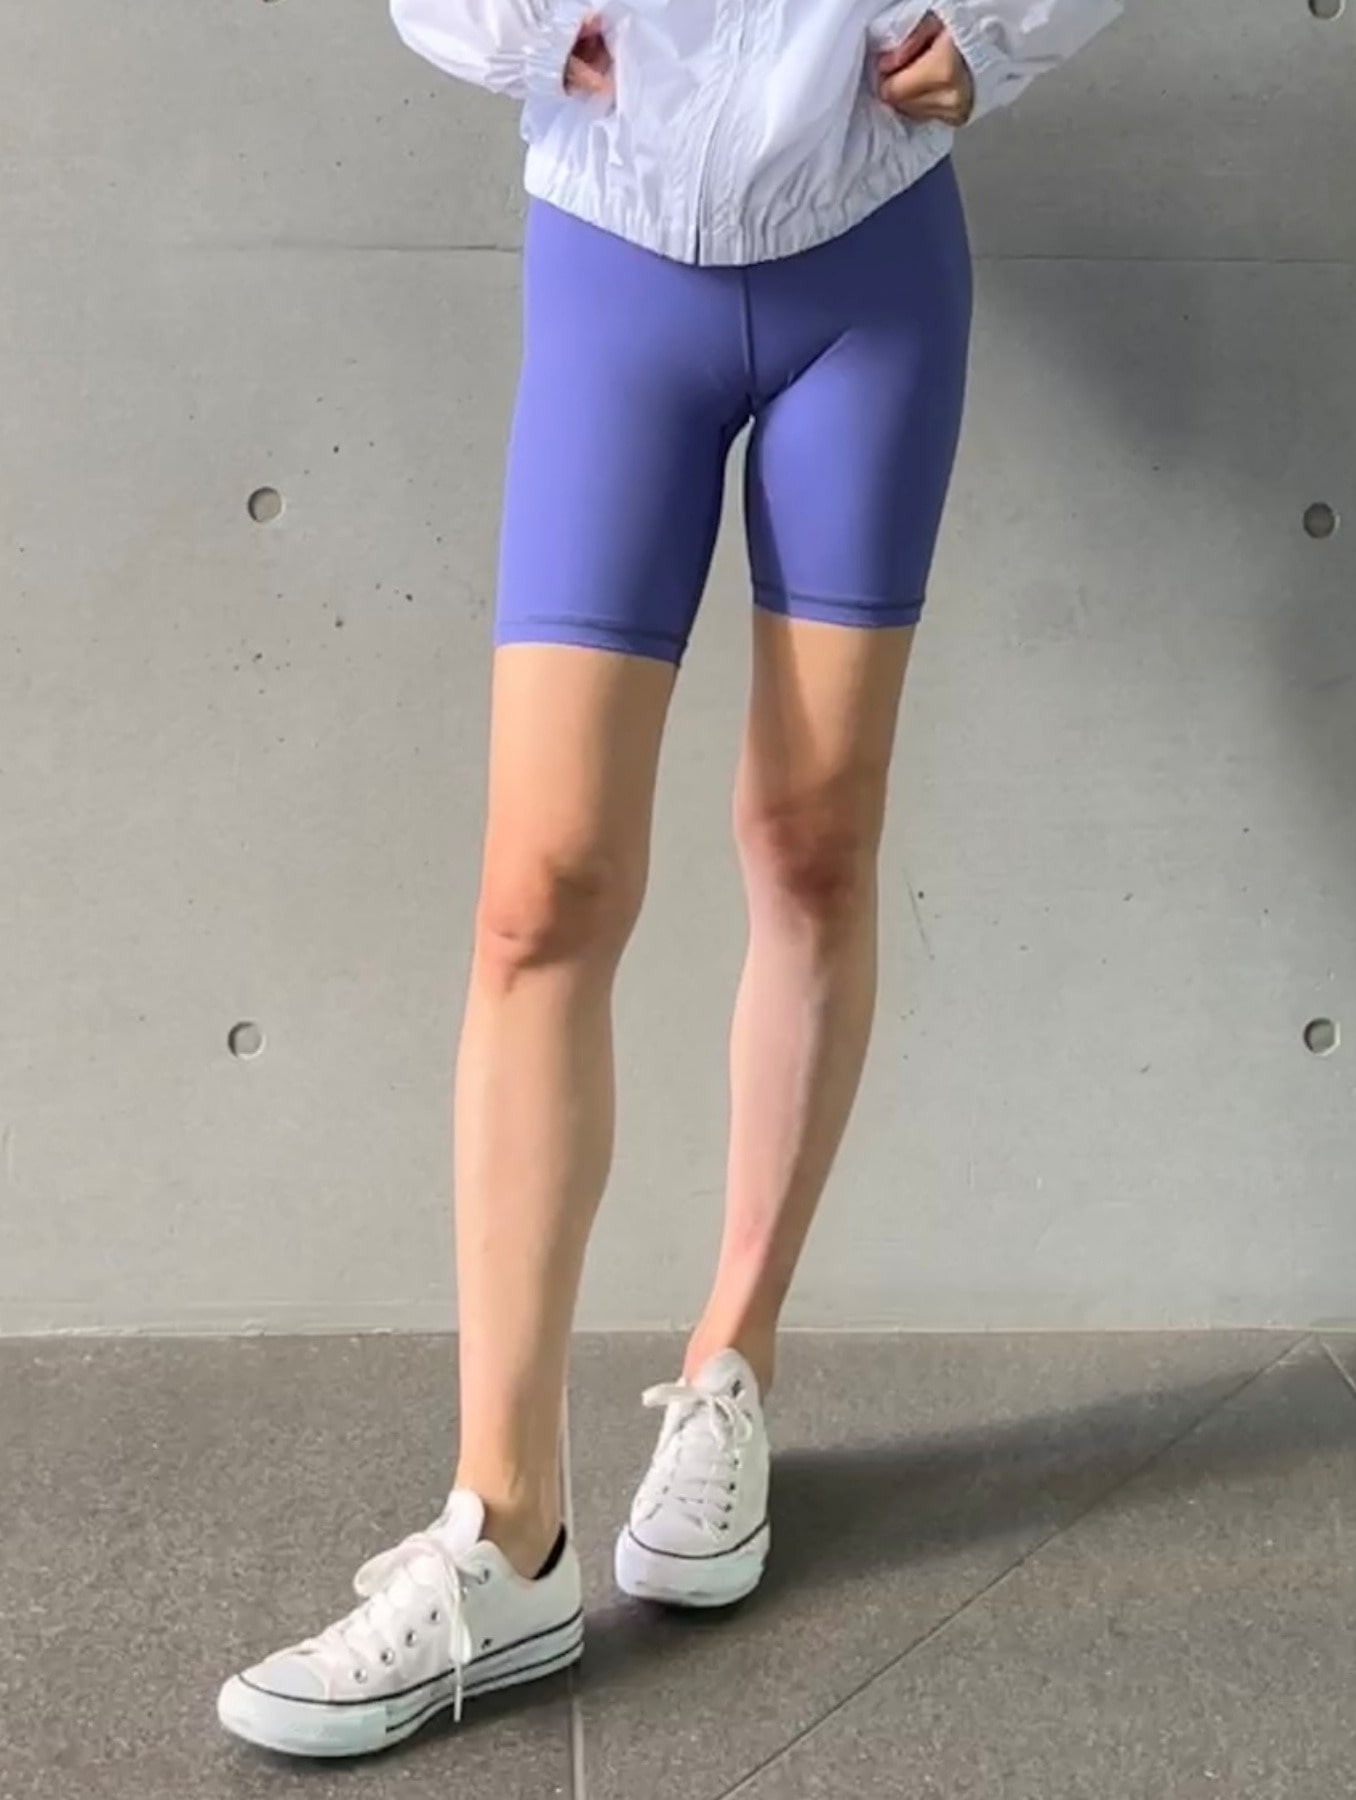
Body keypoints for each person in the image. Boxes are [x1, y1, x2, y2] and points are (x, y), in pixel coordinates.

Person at [217, 0, 1122, 1759]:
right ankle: (508, 1534)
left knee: (811, 838)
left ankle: (732, 1364)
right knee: (540, 891)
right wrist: (516, 22)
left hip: (869, 244)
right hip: (615, 241)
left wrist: (1007, 32)